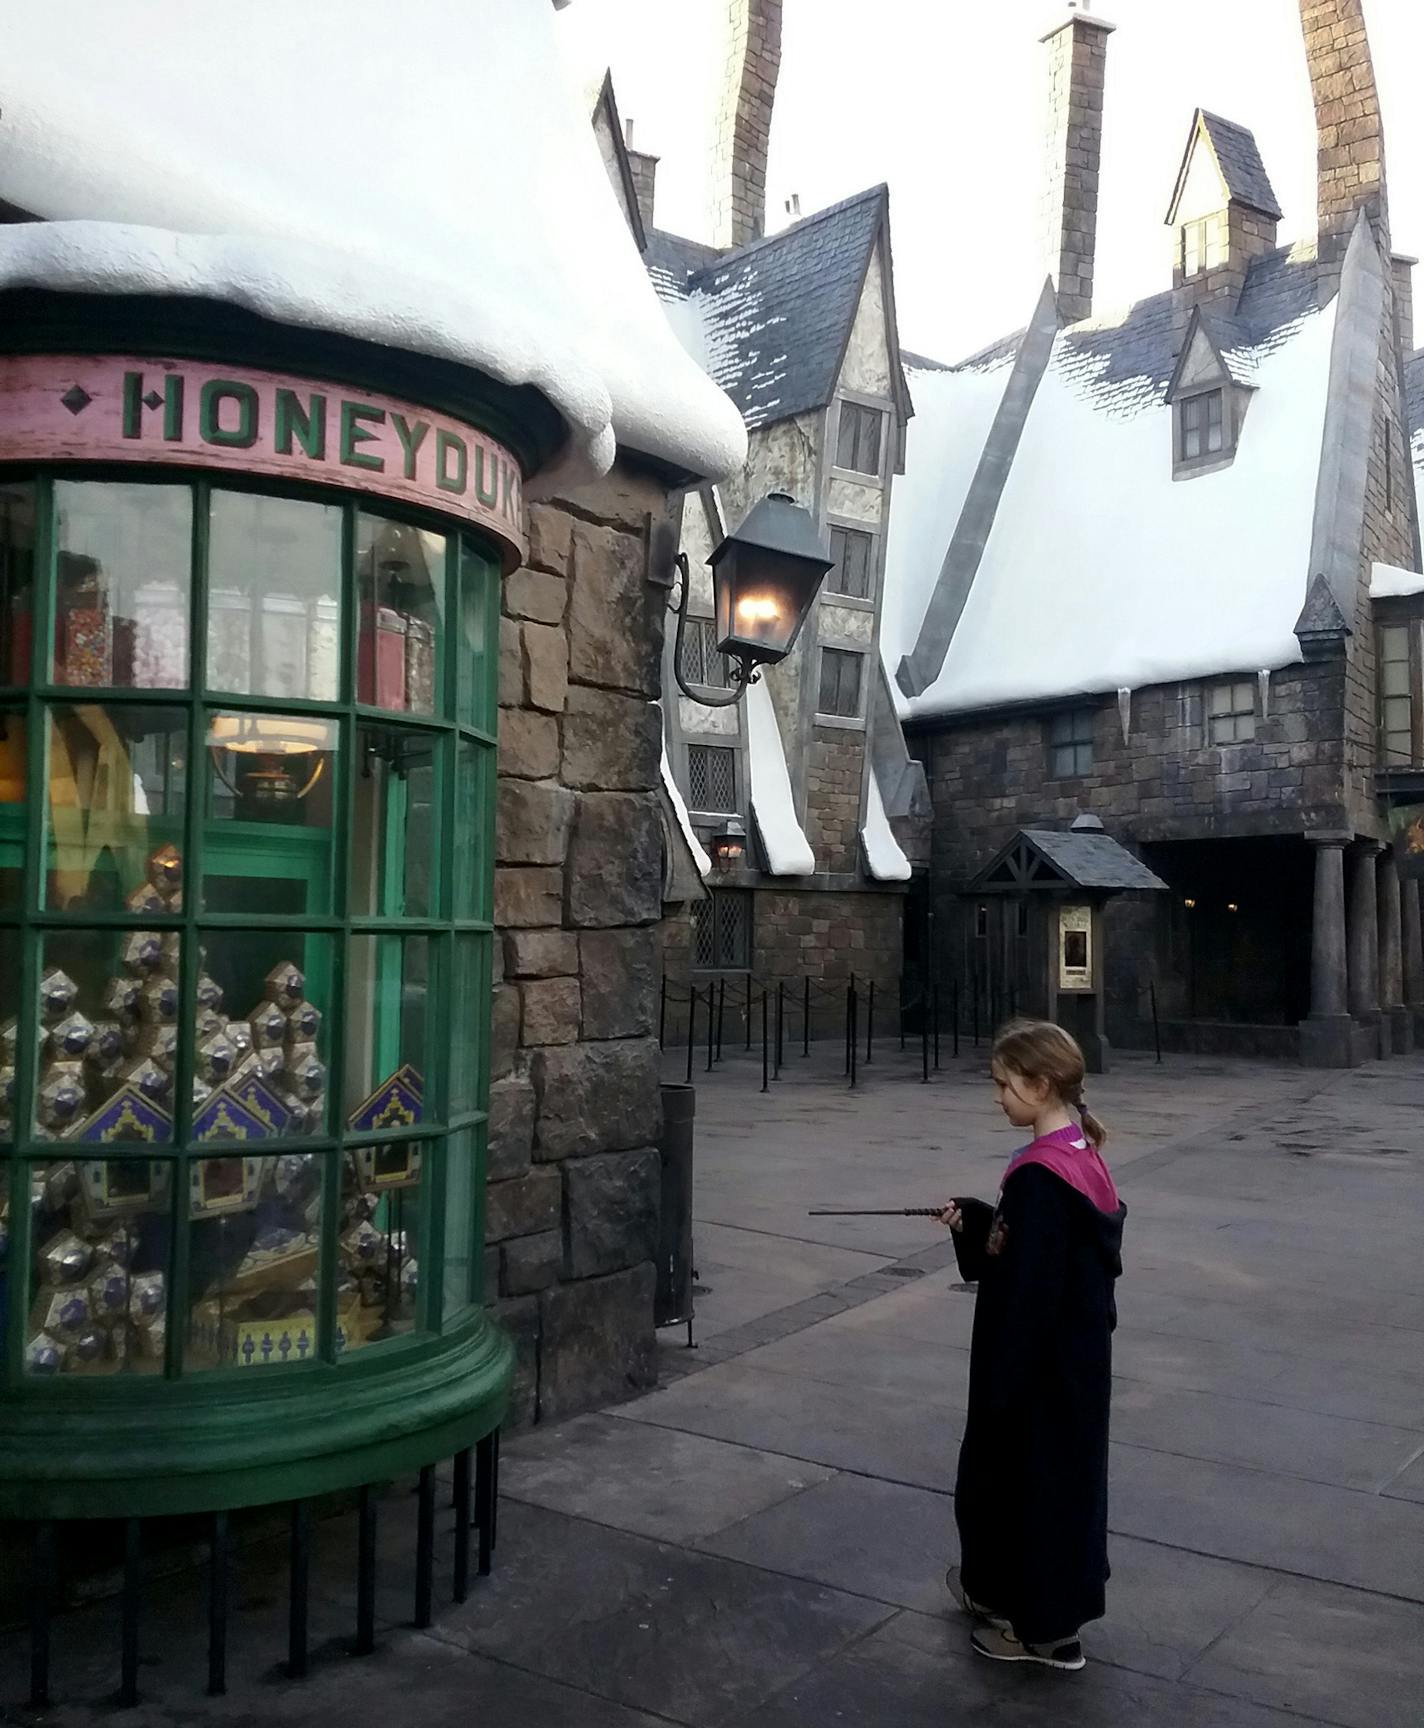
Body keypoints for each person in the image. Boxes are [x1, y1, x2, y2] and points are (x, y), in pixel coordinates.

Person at [939, 1018, 1125, 1672]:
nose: (998, 1097)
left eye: (1004, 1085)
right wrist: (982, 1225)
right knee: (1060, 1488)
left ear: (1040, 1084)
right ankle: (1016, 1600)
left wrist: (1003, 1386)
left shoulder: (1040, 1178)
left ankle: (1037, 1630)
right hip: (1075, 1365)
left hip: (1036, 1371)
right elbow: (1045, 1258)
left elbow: (1028, 1291)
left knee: (1024, 1488)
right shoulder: (1080, 1155)